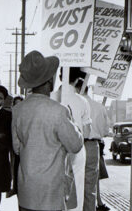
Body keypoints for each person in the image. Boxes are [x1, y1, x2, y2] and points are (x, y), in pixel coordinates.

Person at [12, 50, 84, 211]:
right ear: (49, 81)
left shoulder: (18, 110)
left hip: (26, 192)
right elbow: (75, 145)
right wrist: (74, 124)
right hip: (51, 193)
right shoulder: (59, 111)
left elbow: (17, 148)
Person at [51, 68, 92, 211]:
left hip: (53, 150)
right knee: (76, 189)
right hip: (76, 150)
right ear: (77, 80)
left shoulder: (50, 97)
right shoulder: (82, 101)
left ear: (61, 77)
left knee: (53, 189)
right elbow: (87, 132)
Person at [73, 79, 112, 211]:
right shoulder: (99, 107)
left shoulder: (73, 103)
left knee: (73, 184)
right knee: (90, 187)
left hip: (75, 146)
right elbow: (105, 131)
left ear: (76, 88)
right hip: (92, 145)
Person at [7, 94, 24, 199]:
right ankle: (13, 187)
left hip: (21, 149)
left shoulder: (26, 117)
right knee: (12, 167)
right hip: (11, 147)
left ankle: (16, 188)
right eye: (16, 105)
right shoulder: (9, 116)